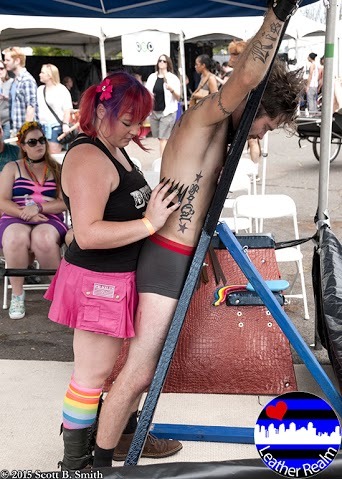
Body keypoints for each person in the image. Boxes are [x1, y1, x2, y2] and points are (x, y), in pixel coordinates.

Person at [92, 1, 304, 469]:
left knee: (147, 366)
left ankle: (126, 435)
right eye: (264, 125)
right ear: (252, 108)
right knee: (142, 367)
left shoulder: (216, 133)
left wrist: (204, 257)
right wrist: (277, 16)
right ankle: (94, 464)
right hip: (164, 254)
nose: (261, 137)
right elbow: (247, 79)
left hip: (176, 254)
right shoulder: (205, 116)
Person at [44, 71, 183, 470]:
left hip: (115, 280)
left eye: (139, 121)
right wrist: (149, 224)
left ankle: (111, 440)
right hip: (97, 284)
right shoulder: (88, 155)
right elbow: (85, 234)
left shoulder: (116, 147)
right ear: (100, 109)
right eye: (127, 121)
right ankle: (74, 464)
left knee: (100, 374)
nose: (134, 130)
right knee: (91, 376)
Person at [0, 121, 67, 319]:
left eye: (42, 140)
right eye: (32, 142)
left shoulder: (57, 168)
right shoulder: (12, 167)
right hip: (15, 215)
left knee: (43, 238)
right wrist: (24, 213)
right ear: (22, 145)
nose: (39, 145)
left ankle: (58, 294)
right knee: (14, 237)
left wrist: (37, 208)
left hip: (49, 216)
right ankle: (18, 295)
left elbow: (64, 203)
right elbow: (2, 200)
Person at [226, 39, 262, 168]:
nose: (231, 57)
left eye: (235, 54)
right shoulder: (235, 74)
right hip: (236, 113)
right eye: (231, 54)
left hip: (246, 112)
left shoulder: (246, 75)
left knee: (252, 140)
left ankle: (254, 168)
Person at [145, 54, 181, 157]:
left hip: (168, 112)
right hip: (154, 112)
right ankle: (170, 155)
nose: (161, 63)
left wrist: (172, 89)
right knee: (159, 137)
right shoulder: (152, 77)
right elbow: (147, 93)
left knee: (163, 138)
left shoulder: (172, 78)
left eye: (164, 61)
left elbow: (178, 97)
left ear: (168, 64)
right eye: (160, 61)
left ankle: (162, 161)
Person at [37, 64, 73, 154]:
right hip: (41, 127)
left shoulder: (61, 90)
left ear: (49, 75)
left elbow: (67, 109)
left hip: (55, 127)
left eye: (42, 72)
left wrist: (65, 124)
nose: (39, 74)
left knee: (53, 153)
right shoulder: (40, 89)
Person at [3, 47, 38, 135]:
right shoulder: (15, 80)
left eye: (7, 60)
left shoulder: (27, 80)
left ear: (17, 61)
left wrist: (25, 132)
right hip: (16, 129)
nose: (5, 62)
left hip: (25, 131)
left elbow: (31, 107)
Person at [0, 59, 14, 140]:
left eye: (1, 68)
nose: (0, 71)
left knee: (5, 144)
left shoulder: (12, 82)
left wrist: (6, 97)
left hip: (7, 120)